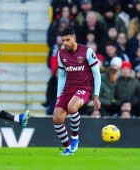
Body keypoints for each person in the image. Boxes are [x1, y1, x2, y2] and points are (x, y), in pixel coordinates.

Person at [53, 27, 101, 155]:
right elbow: (62, 76)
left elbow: (97, 74)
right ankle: (68, 148)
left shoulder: (87, 51)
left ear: (74, 38)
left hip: (84, 88)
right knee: (57, 118)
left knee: (72, 107)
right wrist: (59, 96)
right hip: (69, 88)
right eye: (63, 40)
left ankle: (75, 137)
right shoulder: (61, 54)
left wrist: (96, 96)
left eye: (68, 40)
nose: (65, 43)